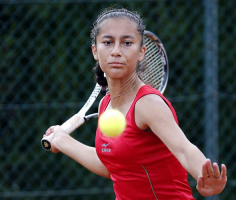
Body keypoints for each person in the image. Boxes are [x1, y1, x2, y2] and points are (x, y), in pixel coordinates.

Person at [44, 8, 227, 200]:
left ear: (141, 53)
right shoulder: (105, 105)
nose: (116, 51)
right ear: (95, 51)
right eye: (108, 42)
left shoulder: (148, 104)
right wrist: (63, 141)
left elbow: (184, 149)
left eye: (127, 43)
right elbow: (115, 164)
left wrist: (203, 173)